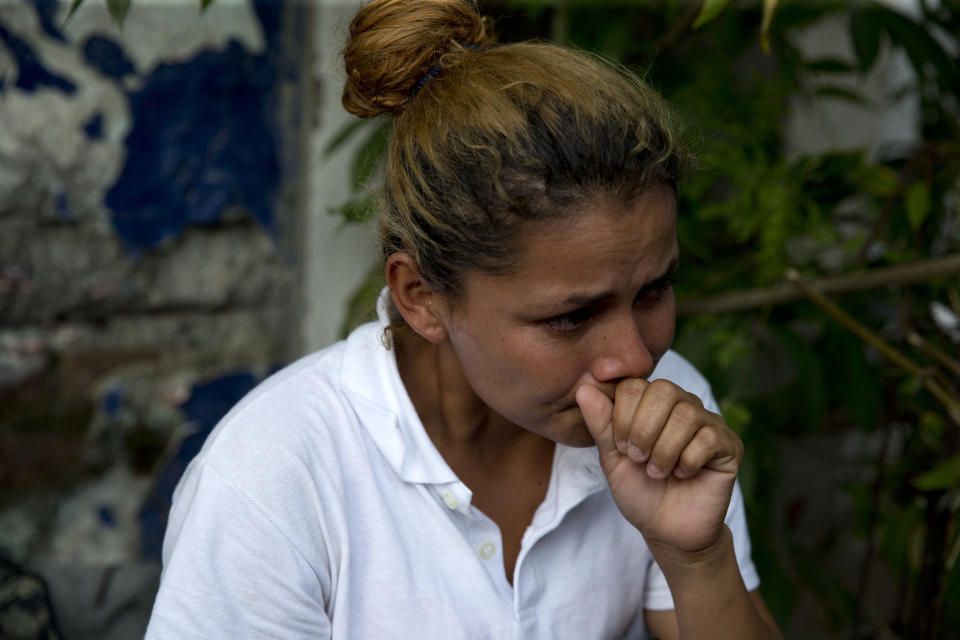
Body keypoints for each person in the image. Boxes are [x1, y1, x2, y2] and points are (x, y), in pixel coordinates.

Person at [146, 0, 783, 638]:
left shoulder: (669, 419)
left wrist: (697, 559)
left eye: (654, 290)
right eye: (569, 317)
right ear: (420, 296)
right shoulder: (275, 480)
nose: (636, 357)